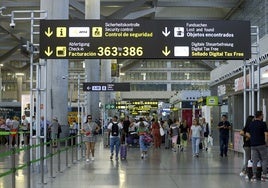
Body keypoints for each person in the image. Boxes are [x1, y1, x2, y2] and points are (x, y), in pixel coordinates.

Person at [246, 111, 268, 181]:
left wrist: (252, 138)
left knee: (254, 160)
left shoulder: (251, 124)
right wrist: (266, 142)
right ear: (260, 116)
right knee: (264, 159)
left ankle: (254, 176)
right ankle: (264, 175)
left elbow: (247, 133)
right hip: (261, 144)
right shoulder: (263, 124)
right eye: (262, 115)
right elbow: (266, 134)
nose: (263, 116)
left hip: (253, 145)